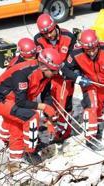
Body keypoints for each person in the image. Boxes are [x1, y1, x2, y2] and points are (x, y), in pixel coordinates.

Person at [0, 48, 61, 172]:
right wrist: (42, 107)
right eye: (54, 70)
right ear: (44, 67)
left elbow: (46, 96)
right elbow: (21, 102)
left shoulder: (46, 75)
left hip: (13, 100)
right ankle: (29, 153)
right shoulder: (23, 73)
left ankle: (15, 156)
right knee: (32, 117)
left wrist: (50, 118)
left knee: (17, 124)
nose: (56, 73)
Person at [61, 29, 104, 150]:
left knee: (99, 108)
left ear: (98, 44)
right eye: (88, 50)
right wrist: (78, 78)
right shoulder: (76, 53)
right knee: (91, 106)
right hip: (88, 84)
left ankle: (98, 128)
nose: (91, 53)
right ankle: (90, 138)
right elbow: (65, 70)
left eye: (94, 49)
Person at [34, 13, 77, 142]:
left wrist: (66, 70)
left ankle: (65, 131)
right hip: (48, 75)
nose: (48, 36)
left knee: (65, 104)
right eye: (44, 34)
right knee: (48, 101)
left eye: (50, 32)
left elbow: (73, 59)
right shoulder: (38, 39)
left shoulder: (68, 37)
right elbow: (39, 59)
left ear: (55, 26)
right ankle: (51, 126)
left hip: (64, 76)